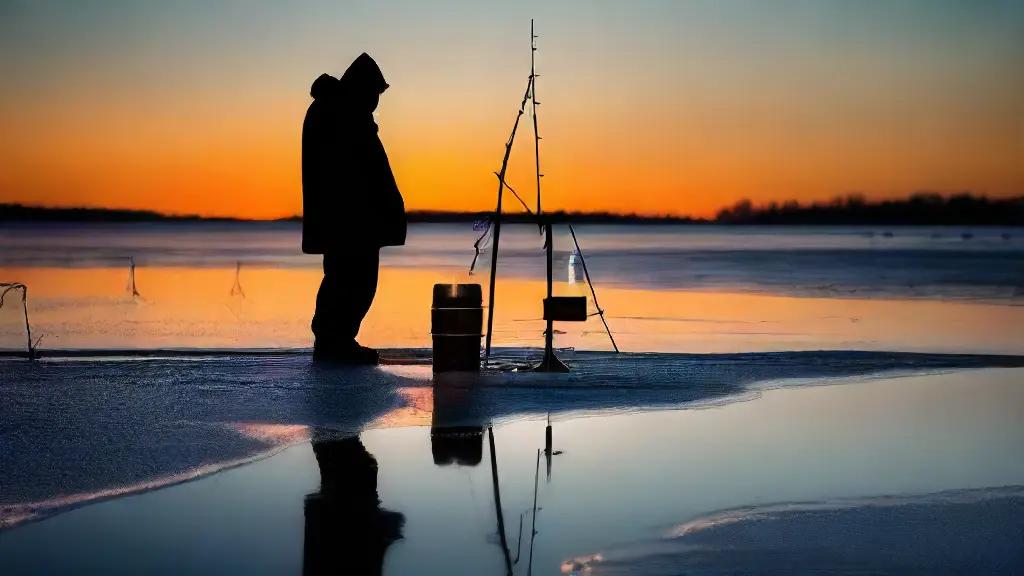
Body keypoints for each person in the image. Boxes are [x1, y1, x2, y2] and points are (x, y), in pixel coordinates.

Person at [302, 53, 407, 364]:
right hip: (350, 219)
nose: (376, 100)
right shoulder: (341, 113)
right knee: (350, 280)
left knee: (349, 280)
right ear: (361, 88)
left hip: (353, 218)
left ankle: (337, 339)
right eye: (375, 92)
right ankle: (335, 341)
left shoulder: (340, 111)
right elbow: (351, 170)